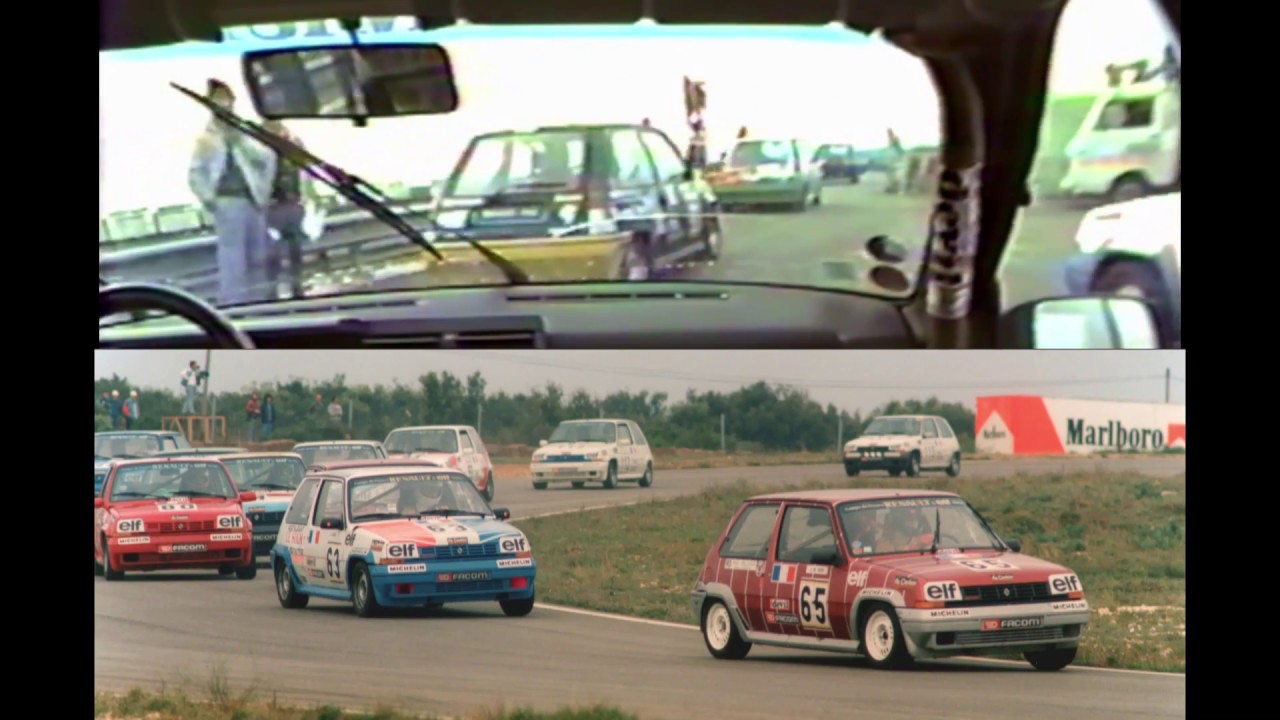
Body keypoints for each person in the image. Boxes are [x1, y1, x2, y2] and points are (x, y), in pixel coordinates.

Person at [188, 79, 278, 306]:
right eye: (217, 99)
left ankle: (260, 302)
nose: (223, 103)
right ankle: (234, 303)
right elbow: (195, 173)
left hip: (254, 200)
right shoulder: (206, 138)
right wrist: (209, 198)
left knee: (258, 255)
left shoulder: (245, 131)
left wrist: (240, 141)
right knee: (232, 257)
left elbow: (267, 158)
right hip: (227, 201)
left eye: (226, 98)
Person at [262, 119, 314, 299]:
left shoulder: (293, 141)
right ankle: (271, 292)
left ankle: (296, 289)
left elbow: (306, 170)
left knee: (295, 250)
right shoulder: (258, 142)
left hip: (293, 202)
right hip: (272, 204)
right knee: (272, 253)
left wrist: (306, 197)